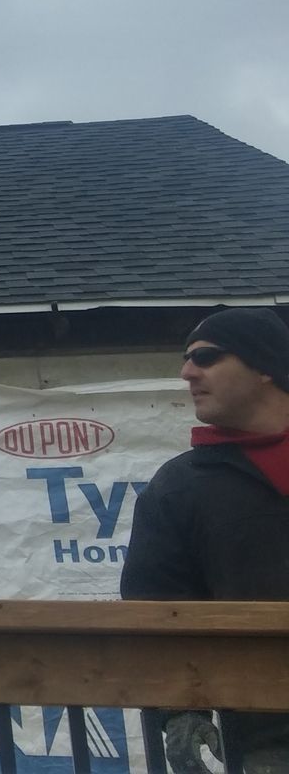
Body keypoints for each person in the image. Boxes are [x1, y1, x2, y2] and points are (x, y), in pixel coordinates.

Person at [121, 307, 289, 773]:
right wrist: (179, 708)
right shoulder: (178, 487)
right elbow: (157, 609)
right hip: (269, 742)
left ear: (265, 367)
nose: (187, 373)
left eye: (207, 357)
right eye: (186, 359)